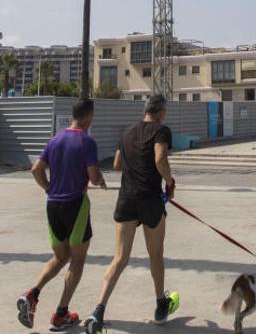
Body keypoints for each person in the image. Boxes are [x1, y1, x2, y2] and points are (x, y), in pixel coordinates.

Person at [84, 94, 177, 333]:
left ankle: (99, 309)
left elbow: (116, 164)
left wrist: (134, 167)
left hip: (126, 199)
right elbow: (159, 158)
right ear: (161, 111)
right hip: (150, 200)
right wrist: (169, 182)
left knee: (120, 258)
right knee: (155, 255)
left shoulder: (127, 132)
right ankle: (160, 305)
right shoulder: (161, 130)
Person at [17, 99, 106, 331]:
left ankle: (32, 293)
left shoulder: (55, 139)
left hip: (53, 204)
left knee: (60, 256)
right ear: (88, 116)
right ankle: (61, 314)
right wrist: (100, 179)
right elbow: (94, 177)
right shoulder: (86, 141)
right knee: (77, 260)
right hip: (75, 204)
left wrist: (48, 187)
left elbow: (35, 169)